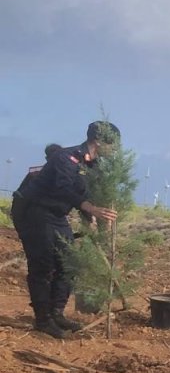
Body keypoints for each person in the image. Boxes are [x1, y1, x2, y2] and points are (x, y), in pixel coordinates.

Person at [12, 122, 120, 338]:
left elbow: (88, 196)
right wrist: (89, 208)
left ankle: (57, 313)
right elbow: (64, 188)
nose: (116, 149)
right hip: (35, 212)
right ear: (98, 141)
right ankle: (43, 320)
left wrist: (94, 220)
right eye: (113, 144)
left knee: (69, 263)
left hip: (57, 215)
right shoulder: (65, 157)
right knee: (43, 265)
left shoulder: (93, 166)